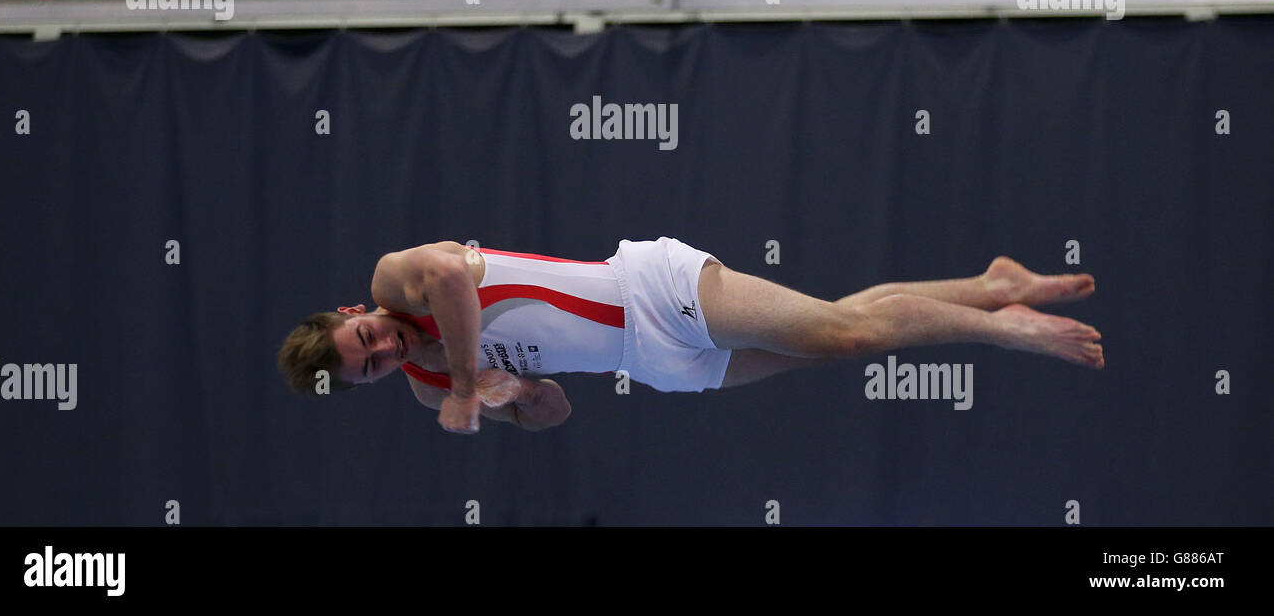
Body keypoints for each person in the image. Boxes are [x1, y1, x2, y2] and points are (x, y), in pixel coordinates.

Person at [277, 238, 1102, 434]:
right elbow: (554, 414)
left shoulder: (398, 277)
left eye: (370, 339)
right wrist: (515, 395)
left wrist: (463, 382)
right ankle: (995, 286)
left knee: (846, 335)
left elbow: (457, 281)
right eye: (373, 368)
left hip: (651, 291)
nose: (387, 349)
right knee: (836, 328)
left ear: (355, 309)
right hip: (655, 362)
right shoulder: (428, 381)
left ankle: (1009, 329)